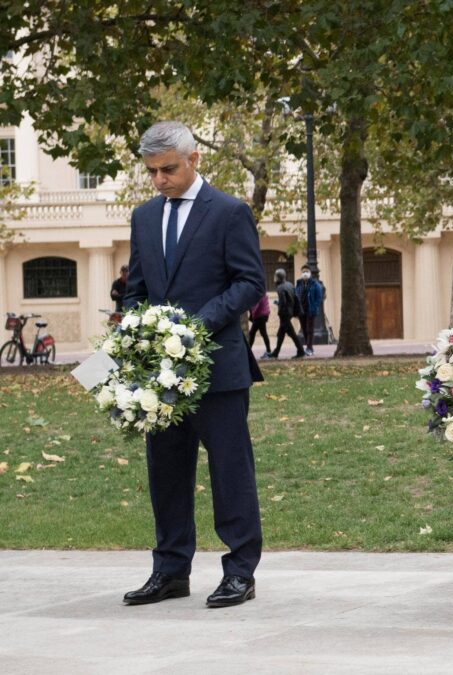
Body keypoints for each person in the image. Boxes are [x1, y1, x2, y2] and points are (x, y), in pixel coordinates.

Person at [122, 121, 265, 607]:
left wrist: (196, 326)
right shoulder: (143, 218)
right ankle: (170, 571)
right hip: (157, 379)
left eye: (168, 169)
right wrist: (131, 345)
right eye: (153, 172)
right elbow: (138, 290)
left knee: (230, 473)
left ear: (194, 159)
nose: (160, 180)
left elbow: (249, 283)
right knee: (165, 472)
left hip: (218, 371)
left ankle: (240, 572)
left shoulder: (228, 212)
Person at [269, 268, 304, 359]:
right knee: (281, 334)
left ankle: (301, 351)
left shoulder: (280, 288)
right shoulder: (290, 284)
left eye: (275, 276)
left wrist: (280, 312)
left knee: (291, 334)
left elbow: (283, 302)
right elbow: (295, 298)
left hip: (284, 314)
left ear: (278, 277)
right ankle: (276, 352)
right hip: (290, 312)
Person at [295, 264, 324, 356]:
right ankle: (308, 347)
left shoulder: (315, 284)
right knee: (304, 329)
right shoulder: (299, 284)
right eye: (303, 271)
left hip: (310, 310)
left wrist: (315, 307)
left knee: (309, 329)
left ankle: (309, 348)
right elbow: (296, 295)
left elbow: (319, 297)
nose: (305, 273)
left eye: (307, 271)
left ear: (310, 273)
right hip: (301, 310)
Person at [248, 293, 271, 358]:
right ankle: (268, 351)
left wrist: (252, 315)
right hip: (263, 315)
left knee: (252, 333)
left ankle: (249, 352)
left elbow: (256, 306)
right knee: (262, 333)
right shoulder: (263, 293)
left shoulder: (259, 293)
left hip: (259, 316)